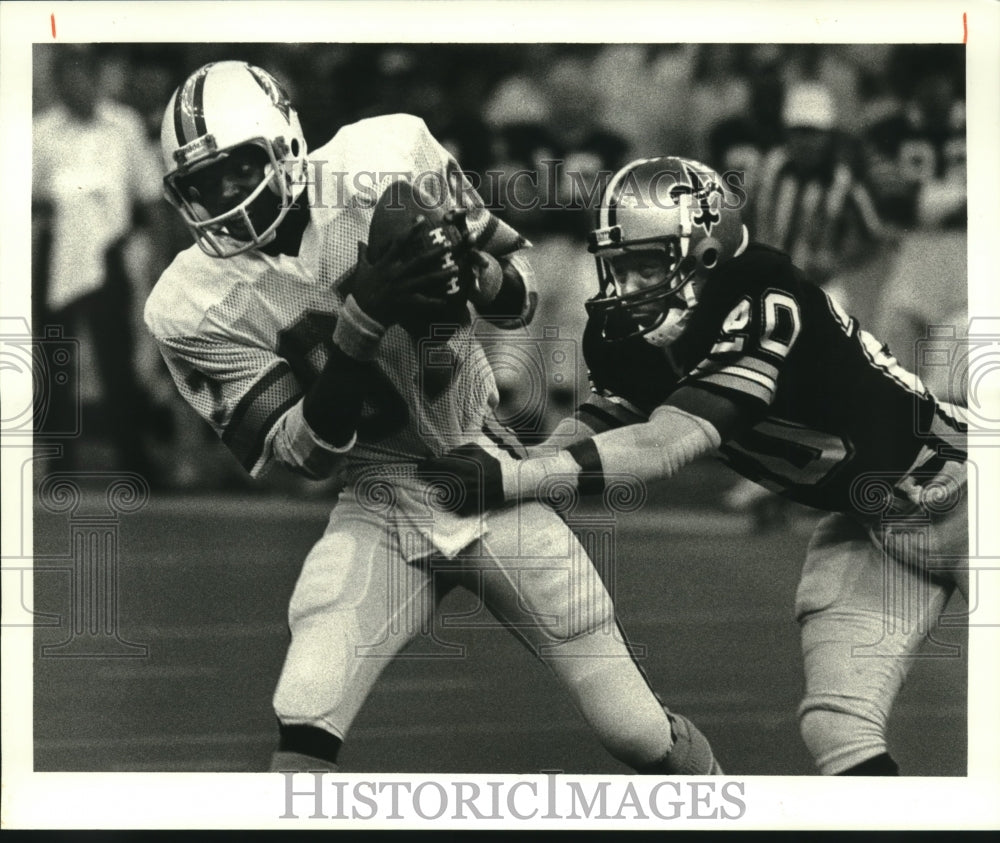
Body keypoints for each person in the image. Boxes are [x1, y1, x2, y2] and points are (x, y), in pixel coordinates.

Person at [144, 61, 721, 774]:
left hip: (482, 468)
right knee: (303, 717)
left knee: (634, 731)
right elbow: (303, 456)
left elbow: (522, 294)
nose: (224, 199)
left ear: (286, 144)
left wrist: (474, 272)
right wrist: (360, 322)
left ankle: (719, 797)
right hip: (377, 496)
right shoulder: (190, 303)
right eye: (203, 186)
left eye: (237, 171)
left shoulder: (383, 157)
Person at [419, 155, 969, 776]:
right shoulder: (635, 332)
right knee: (837, 724)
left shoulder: (764, 291)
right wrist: (526, 458)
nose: (625, 288)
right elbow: (606, 424)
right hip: (870, 521)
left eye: (646, 265)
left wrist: (514, 478)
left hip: (966, 487)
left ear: (705, 253)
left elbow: (668, 441)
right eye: (617, 266)